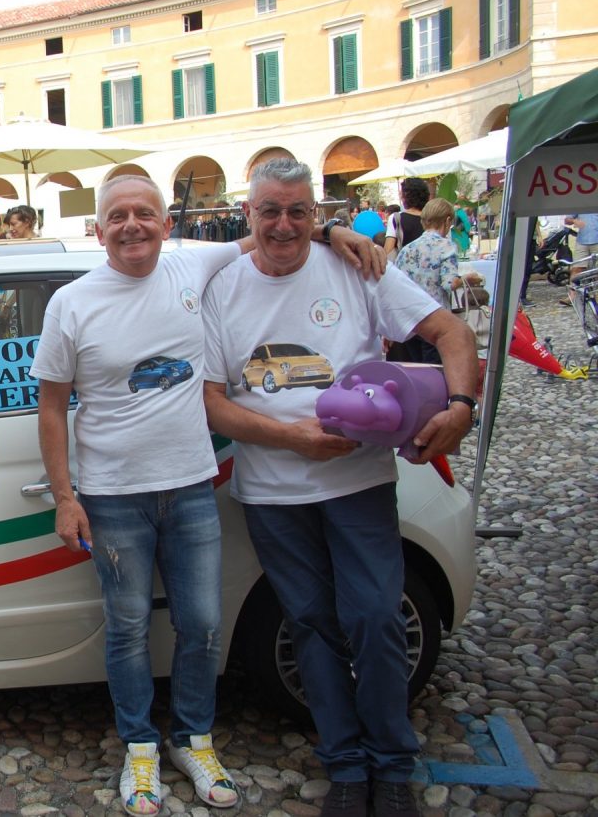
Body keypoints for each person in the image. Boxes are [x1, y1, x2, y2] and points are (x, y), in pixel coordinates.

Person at [29, 173, 381, 815]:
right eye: (117, 216)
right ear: (97, 228)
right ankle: (139, 747)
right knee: (129, 627)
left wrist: (336, 229)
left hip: (191, 489)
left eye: (144, 213)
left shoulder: (195, 266)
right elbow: (52, 408)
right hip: (112, 496)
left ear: (166, 224)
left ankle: (194, 737)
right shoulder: (71, 303)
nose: (131, 225)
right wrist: (64, 495)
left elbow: (272, 232)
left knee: (203, 625)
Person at [201, 157, 476, 817]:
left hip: (359, 482)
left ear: (317, 216)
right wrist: (294, 438)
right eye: (271, 210)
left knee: (376, 617)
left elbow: (452, 332)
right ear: (249, 214)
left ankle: (391, 764)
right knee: (312, 627)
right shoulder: (221, 287)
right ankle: (347, 765)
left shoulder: (358, 267)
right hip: (272, 495)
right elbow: (210, 402)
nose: (286, 224)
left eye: (301, 211)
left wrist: (461, 404)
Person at [390, 198, 463, 364]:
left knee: (418, 371)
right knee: (436, 371)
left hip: (409, 321)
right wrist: (467, 279)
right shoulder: (446, 246)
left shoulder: (407, 249)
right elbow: (449, 283)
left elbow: (396, 285)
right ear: (447, 220)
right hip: (435, 319)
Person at [384, 178, 429, 258]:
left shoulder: (396, 218)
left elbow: (388, 251)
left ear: (406, 196)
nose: (400, 195)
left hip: (405, 266)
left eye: (401, 193)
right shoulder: (433, 218)